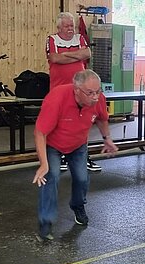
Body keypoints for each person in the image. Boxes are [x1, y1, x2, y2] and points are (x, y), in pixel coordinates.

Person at [32, 70, 118, 241]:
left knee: (82, 178)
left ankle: (78, 206)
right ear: (77, 90)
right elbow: (40, 132)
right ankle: (46, 222)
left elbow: (102, 118)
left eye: (98, 91)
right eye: (90, 93)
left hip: (78, 143)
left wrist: (107, 138)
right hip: (53, 144)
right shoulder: (57, 98)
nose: (95, 97)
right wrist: (43, 164)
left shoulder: (98, 99)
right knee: (51, 176)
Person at [46, 12, 101, 172]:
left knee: (82, 124)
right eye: (67, 26)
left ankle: (83, 157)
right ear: (59, 27)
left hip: (80, 91)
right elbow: (55, 58)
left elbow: (87, 53)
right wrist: (77, 56)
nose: (70, 28)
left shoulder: (80, 38)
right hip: (59, 91)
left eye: (72, 25)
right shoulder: (52, 39)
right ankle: (62, 156)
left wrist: (66, 54)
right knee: (61, 125)